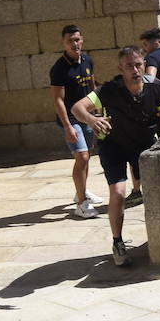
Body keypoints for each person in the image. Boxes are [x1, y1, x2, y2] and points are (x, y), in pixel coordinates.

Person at [71, 46, 160, 266]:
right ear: (121, 68)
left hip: (144, 145)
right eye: (129, 65)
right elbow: (77, 108)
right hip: (114, 145)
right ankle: (118, 242)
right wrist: (92, 120)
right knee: (118, 193)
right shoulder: (108, 89)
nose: (135, 69)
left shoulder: (154, 86)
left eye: (138, 64)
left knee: (159, 189)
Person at [48, 24, 101, 219]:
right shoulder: (59, 68)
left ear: (82, 40)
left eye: (77, 39)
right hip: (71, 119)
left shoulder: (88, 60)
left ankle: (82, 191)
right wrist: (68, 126)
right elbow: (58, 99)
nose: (75, 44)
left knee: (87, 156)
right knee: (82, 157)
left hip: (87, 116)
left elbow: (93, 87)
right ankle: (81, 204)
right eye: (70, 41)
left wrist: (97, 113)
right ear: (64, 42)